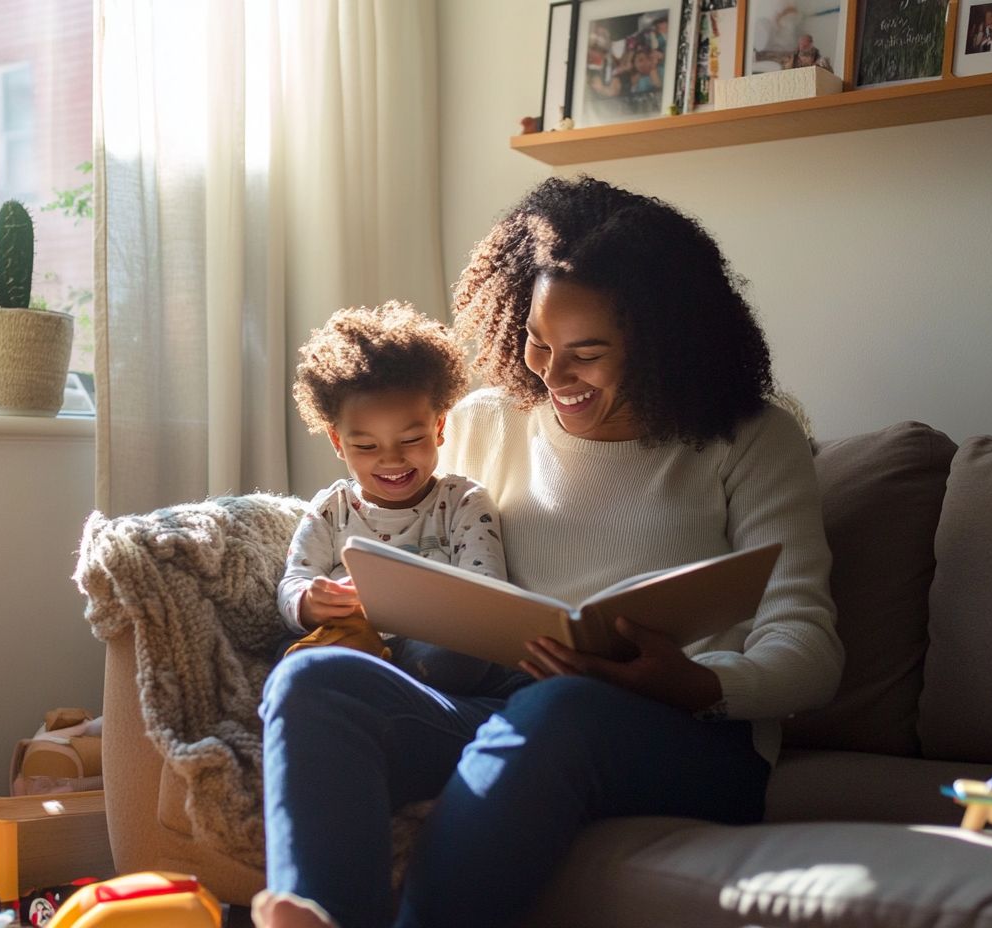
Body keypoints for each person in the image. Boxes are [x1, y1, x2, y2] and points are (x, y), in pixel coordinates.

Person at [252, 176, 844, 928]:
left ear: (662, 346)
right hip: (504, 706)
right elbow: (402, 536)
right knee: (315, 678)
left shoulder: (750, 440)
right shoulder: (486, 423)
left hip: (692, 740)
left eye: (587, 354)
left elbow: (809, 651)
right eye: (537, 339)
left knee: (561, 704)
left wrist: (694, 683)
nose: (551, 373)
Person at [276, 301, 515, 697]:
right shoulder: (331, 508)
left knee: (457, 657)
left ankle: (384, 689)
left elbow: (485, 596)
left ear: (439, 427)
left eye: (411, 439)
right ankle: (366, 680)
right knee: (296, 656)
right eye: (366, 445)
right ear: (338, 442)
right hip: (355, 639)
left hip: (433, 647)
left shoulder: (463, 502)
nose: (391, 459)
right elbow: (294, 581)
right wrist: (308, 602)